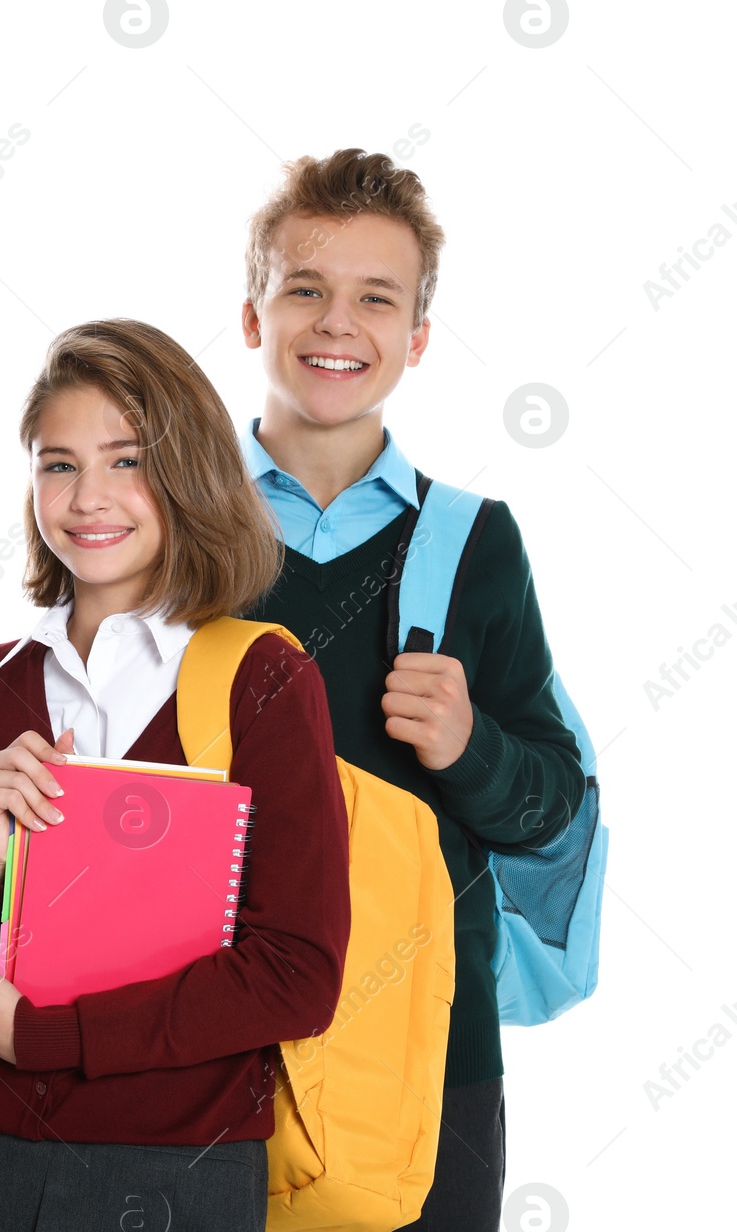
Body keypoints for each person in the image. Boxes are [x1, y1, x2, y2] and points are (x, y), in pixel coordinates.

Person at [0, 319, 350, 1232]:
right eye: (58, 464)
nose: (87, 497)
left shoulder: (263, 680)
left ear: (189, 474)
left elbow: (298, 976)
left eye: (126, 460)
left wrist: (42, 1039)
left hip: (176, 1172)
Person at [238, 148, 586, 1232]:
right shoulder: (176, 527)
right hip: (215, 1032)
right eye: (303, 288)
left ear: (416, 338)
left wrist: (470, 743)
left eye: (374, 298)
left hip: (433, 1047)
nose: (336, 322)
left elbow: (554, 802)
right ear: (252, 316)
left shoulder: (475, 541)